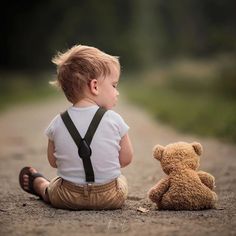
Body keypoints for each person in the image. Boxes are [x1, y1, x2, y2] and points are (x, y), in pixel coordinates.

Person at [19, 44, 133, 210]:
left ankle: (41, 186)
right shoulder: (115, 119)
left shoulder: (57, 122)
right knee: (121, 179)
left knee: (55, 184)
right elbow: (126, 159)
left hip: (66, 197)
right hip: (110, 197)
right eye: (114, 85)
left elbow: (53, 162)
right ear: (94, 86)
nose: (117, 92)